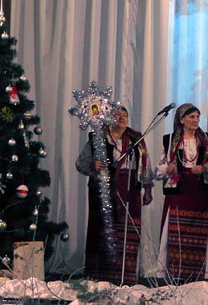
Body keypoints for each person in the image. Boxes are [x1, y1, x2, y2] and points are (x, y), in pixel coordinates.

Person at [75, 106, 153, 285]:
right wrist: (93, 165)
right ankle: (100, 276)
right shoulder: (98, 138)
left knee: (128, 229)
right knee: (103, 229)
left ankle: (125, 276)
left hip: (130, 189)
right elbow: (80, 163)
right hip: (104, 190)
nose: (121, 118)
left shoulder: (135, 139)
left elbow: (145, 166)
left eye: (125, 115)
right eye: (117, 115)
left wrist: (148, 189)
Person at [156, 103, 208, 281]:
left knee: (199, 232)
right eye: (192, 117)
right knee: (177, 231)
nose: (196, 120)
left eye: (197, 117)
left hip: (200, 191)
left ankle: (197, 274)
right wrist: (168, 169)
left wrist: (204, 168)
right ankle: (176, 273)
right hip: (179, 191)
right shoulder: (170, 140)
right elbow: (158, 170)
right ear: (182, 119)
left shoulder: (207, 140)